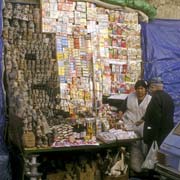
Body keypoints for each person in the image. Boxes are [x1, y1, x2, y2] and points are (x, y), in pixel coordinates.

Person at [118, 80, 152, 173]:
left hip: (142, 126)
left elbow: (151, 114)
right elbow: (121, 109)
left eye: (142, 88)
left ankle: (146, 168)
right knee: (132, 146)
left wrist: (143, 120)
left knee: (143, 146)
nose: (139, 91)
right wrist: (120, 119)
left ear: (145, 90)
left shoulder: (150, 99)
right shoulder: (130, 97)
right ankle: (135, 168)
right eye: (137, 89)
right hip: (128, 124)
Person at [143, 77, 174, 150]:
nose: (149, 90)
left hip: (156, 137)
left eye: (150, 88)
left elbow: (154, 120)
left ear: (153, 87)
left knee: (153, 158)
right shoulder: (168, 97)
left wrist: (149, 138)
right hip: (166, 134)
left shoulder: (155, 98)